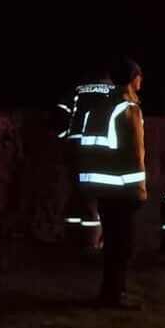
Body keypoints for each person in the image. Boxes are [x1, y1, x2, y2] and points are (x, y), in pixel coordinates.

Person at [77, 57, 146, 310]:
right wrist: (139, 191)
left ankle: (111, 292)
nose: (141, 80)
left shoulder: (100, 106)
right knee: (121, 245)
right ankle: (115, 295)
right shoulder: (128, 108)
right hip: (121, 190)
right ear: (133, 78)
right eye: (139, 75)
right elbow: (134, 154)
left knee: (112, 245)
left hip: (100, 187)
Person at [53, 69, 115, 250]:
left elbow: (60, 118)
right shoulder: (116, 93)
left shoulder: (77, 90)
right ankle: (92, 240)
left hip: (75, 150)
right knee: (96, 197)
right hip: (102, 149)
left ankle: (72, 235)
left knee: (77, 193)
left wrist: (64, 139)